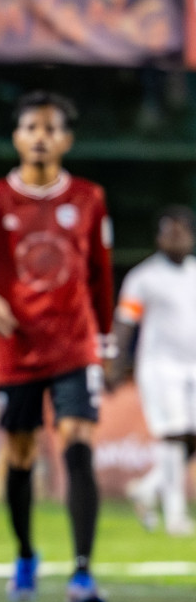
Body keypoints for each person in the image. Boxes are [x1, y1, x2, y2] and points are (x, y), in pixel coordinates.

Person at [0, 90, 114, 602]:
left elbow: (100, 276)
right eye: (30, 128)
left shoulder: (89, 198)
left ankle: (83, 573)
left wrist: (104, 341)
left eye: (50, 129)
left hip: (74, 345)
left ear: (66, 140)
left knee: (78, 439)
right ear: (16, 138)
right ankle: (25, 554)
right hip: (16, 348)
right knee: (20, 453)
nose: (40, 138)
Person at [109, 205, 196, 536]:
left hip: (193, 365)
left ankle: (147, 489)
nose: (177, 238)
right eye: (169, 231)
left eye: (182, 231)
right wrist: (116, 363)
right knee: (173, 434)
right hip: (161, 366)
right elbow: (125, 322)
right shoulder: (143, 277)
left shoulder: (194, 272)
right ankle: (175, 514)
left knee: (190, 437)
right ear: (159, 237)